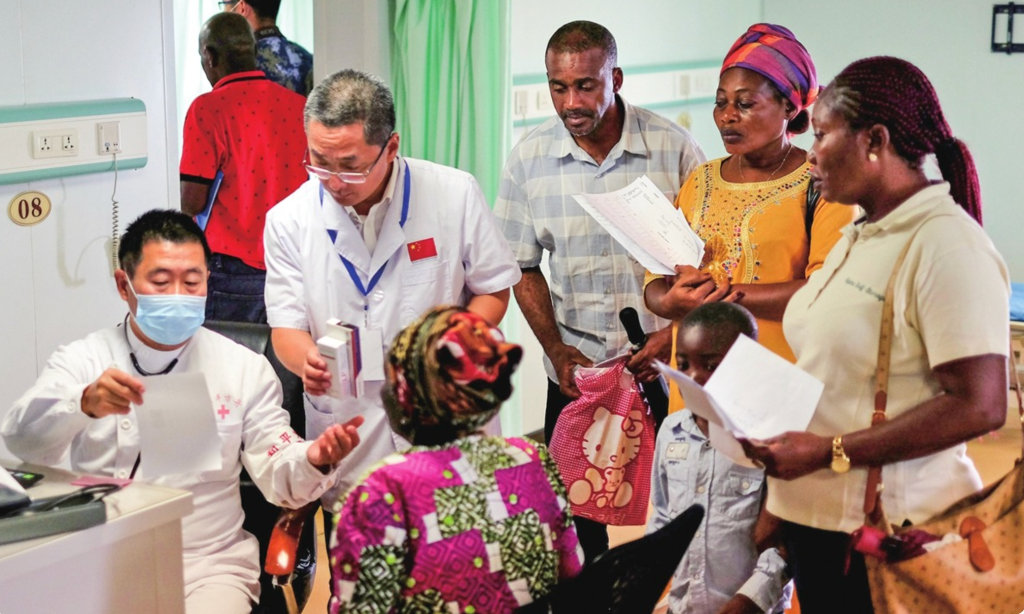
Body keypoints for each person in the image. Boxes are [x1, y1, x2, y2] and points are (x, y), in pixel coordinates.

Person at [741, 57, 1009, 614]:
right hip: (822, 522)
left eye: (821, 134)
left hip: (889, 537)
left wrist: (828, 452)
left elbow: (979, 405)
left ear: (875, 141)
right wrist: (785, 501)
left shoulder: (946, 245)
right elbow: (832, 376)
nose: (810, 154)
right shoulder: (860, 233)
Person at [1, 210, 364, 614]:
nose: (178, 294)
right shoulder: (84, 360)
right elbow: (23, 441)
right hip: (100, 559)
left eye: (192, 282)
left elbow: (279, 469)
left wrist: (314, 459)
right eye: (160, 282)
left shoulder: (242, 367)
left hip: (208, 566)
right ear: (124, 284)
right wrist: (82, 403)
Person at [493, 20, 705, 563]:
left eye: (585, 86)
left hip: (665, 369)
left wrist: (672, 340)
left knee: (682, 506)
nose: (571, 103)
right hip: (577, 373)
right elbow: (521, 266)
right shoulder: (529, 160)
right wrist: (555, 348)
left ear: (616, 78)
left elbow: (708, 267)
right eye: (558, 87)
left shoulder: (673, 148)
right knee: (576, 523)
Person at [264, 69, 521, 509]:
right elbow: (286, 328)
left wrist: (449, 347)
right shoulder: (288, 220)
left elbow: (494, 290)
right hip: (350, 423)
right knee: (362, 538)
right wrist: (307, 362)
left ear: (392, 147)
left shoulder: (453, 193)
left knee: (456, 534)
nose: (334, 181)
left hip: (445, 411)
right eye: (319, 162)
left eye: (351, 166)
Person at [328, 306, 583, 613]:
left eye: (390, 379)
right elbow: (570, 573)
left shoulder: (384, 491)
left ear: (407, 393)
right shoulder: (530, 458)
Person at [645, 25, 855, 398]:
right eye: (720, 102)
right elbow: (657, 277)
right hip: (694, 382)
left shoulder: (822, 184)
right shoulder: (701, 180)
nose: (727, 116)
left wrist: (720, 294)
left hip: (777, 379)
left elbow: (826, 290)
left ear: (789, 106)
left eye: (744, 104)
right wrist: (667, 302)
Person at [648, 302, 790, 614]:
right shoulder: (671, 431)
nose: (693, 377)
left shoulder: (772, 441)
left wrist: (747, 601)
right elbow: (662, 517)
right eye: (683, 364)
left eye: (711, 366)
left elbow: (786, 544)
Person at [180, 12, 308, 323]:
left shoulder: (207, 109)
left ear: (210, 56)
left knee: (228, 354)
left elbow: (192, 202)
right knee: (285, 353)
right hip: (294, 263)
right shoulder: (299, 107)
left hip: (233, 270)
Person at [221, 0, 314, 96]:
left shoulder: (235, 64)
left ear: (242, 8)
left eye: (224, 4)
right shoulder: (309, 60)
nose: (223, 11)